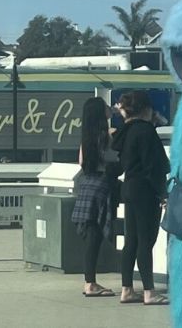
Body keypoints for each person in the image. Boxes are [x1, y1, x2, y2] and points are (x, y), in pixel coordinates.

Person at [111, 91, 170, 305]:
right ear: (146, 109)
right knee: (146, 241)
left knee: (131, 240)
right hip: (145, 190)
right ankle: (149, 291)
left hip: (129, 187)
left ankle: (127, 288)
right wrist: (163, 193)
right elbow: (153, 166)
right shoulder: (146, 131)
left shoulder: (125, 132)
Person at [71, 97, 119, 297]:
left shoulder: (87, 137)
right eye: (106, 107)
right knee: (95, 237)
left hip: (87, 184)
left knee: (91, 236)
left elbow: (81, 161)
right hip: (101, 185)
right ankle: (90, 284)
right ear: (101, 113)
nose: (110, 108)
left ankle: (89, 281)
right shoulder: (108, 135)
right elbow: (115, 160)